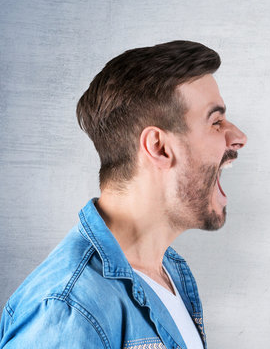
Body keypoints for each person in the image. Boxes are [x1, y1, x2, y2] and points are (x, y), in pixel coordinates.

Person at [0, 40, 247, 349]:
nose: (238, 137)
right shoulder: (70, 309)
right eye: (216, 122)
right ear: (158, 146)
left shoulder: (168, 272)